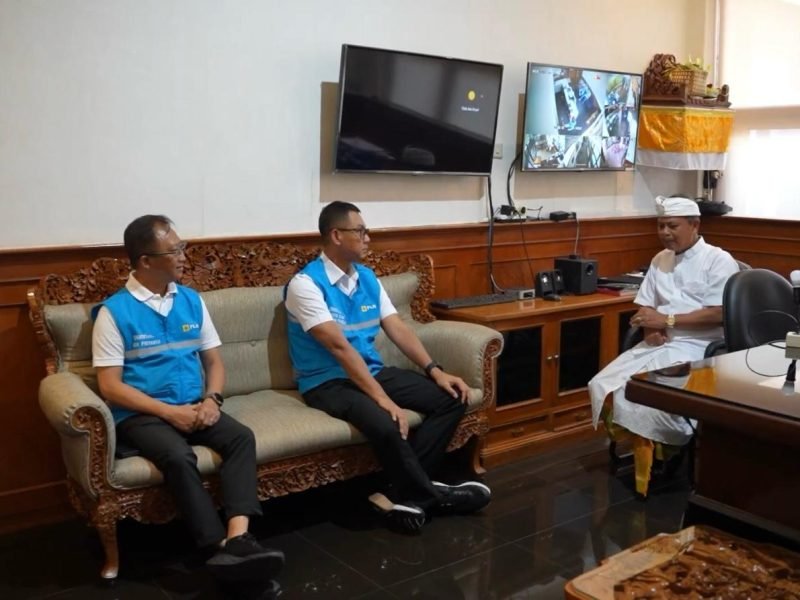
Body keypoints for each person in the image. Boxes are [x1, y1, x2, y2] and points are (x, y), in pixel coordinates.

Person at [91, 215, 284, 582]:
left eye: (183, 248)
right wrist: (169, 412)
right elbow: (110, 387)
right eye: (175, 250)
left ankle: (239, 539)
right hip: (142, 413)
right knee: (178, 456)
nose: (184, 256)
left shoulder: (191, 300)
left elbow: (214, 362)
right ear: (146, 261)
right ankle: (215, 546)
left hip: (195, 403)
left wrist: (212, 400)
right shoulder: (114, 313)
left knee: (240, 437)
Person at [284, 201, 491, 532]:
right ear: (336, 235)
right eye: (360, 231)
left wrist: (435, 370)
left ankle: (399, 494)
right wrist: (383, 399)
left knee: (451, 398)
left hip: (371, 371)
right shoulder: (305, 284)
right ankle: (436, 496)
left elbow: (397, 328)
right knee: (385, 423)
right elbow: (339, 348)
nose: (368, 238)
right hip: (327, 382)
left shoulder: (367, 277)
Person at [588, 196, 739, 496]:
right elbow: (646, 304)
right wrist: (648, 326)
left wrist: (666, 320)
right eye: (660, 226)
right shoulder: (660, 259)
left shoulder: (718, 260)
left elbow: (718, 313)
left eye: (672, 226)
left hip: (699, 346)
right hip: (661, 341)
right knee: (604, 383)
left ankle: (664, 451)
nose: (665, 232)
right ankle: (648, 446)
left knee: (641, 393)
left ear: (694, 225)